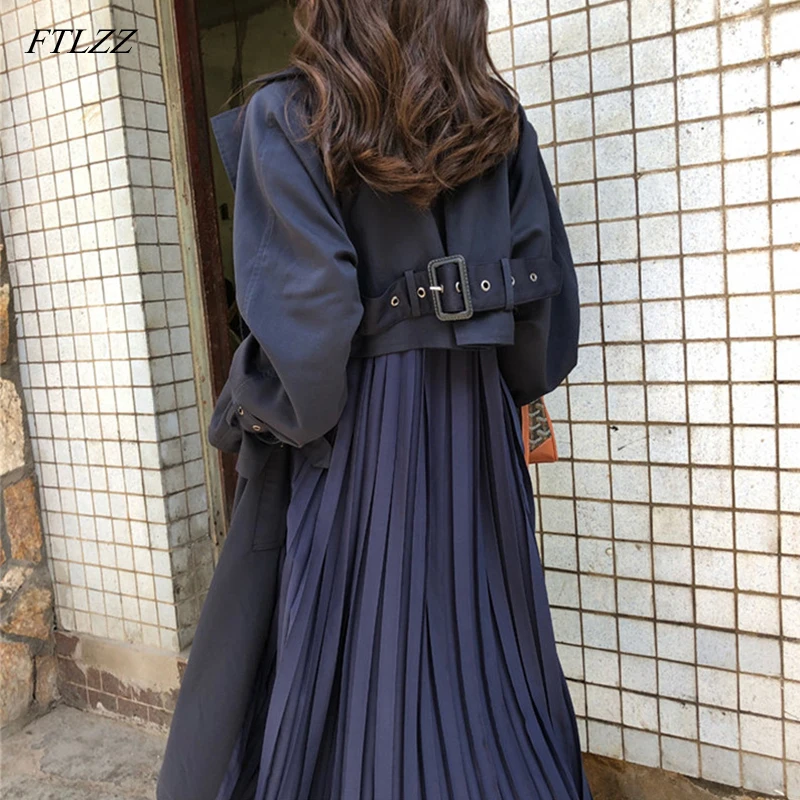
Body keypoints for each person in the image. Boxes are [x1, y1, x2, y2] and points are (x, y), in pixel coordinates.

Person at [157, 1, 592, 799]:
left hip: (357, 460)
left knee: (357, 688)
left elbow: (310, 339)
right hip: (477, 458)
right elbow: (544, 336)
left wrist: (254, 409)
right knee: (489, 676)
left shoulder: (291, 115)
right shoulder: (498, 124)